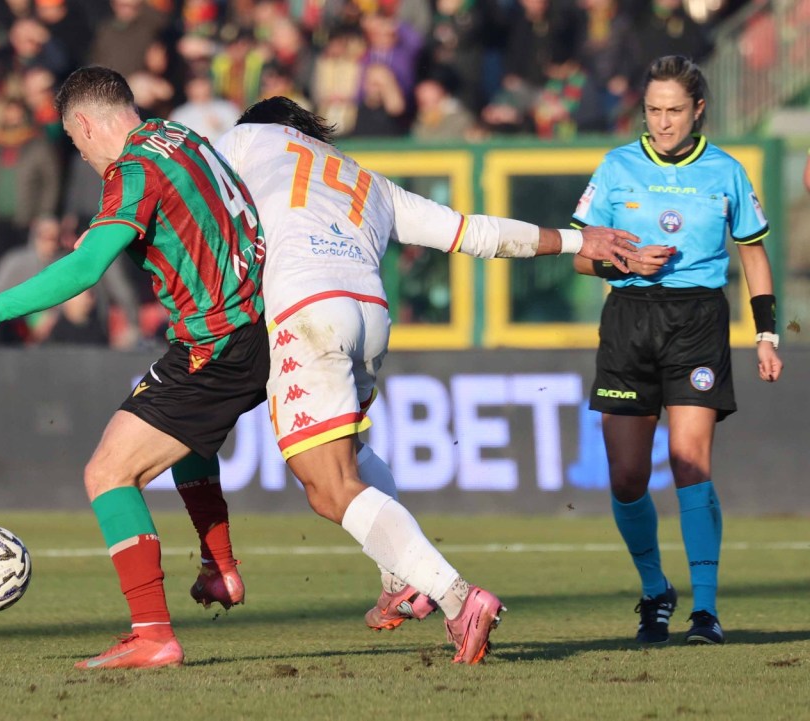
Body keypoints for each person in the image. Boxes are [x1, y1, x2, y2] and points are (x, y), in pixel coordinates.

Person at [213, 96, 641, 664]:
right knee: (349, 454)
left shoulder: (247, 140)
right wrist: (574, 239)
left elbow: (194, 190)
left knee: (327, 486)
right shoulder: (366, 178)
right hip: (369, 312)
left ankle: (456, 596)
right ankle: (399, 579)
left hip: (308, 307)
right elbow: (472, 232)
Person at [0, 65, 267, 670]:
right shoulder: (180, 138)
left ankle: (153, 634)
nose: (81, 157)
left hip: (217, 343)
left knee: (107, 473)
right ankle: (221, 569)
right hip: (250, 327)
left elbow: (85, 273)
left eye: (76, 142)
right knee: (184, 442)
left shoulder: (132, 169)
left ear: (84, 123)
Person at [570, 55, 784, 646]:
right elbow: (583, 255)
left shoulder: (725, 171)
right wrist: (622, 259)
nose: (662, 123)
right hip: (629, 319)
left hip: (697, 321)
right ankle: (654, 589)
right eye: (653, 110)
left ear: (698, 111)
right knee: (628, 477)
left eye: (674, 111)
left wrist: (766, 334)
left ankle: (706, 611)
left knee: (691, 463)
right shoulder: (616, 168)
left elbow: (754, 254)